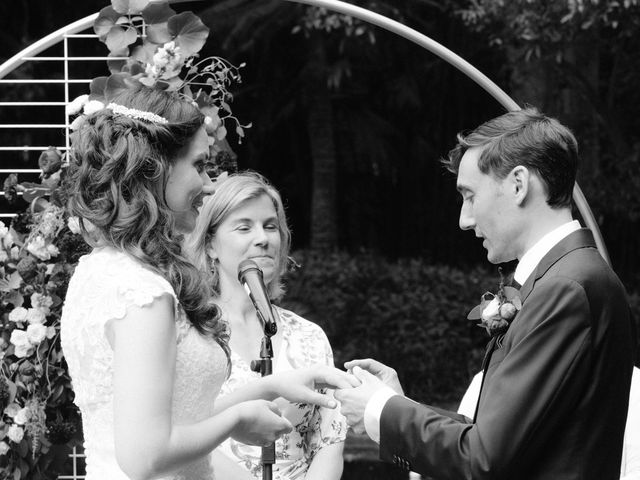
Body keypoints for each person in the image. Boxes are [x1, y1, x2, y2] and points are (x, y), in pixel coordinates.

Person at [60, 86, 355, 480]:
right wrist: (236, 422)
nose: (210, 183)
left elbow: (172, 421)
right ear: (156, 168)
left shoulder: (100, 270)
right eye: (200, 165)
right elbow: (145, 456)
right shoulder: (144, 294)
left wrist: (274, 386)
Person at [335, 107, 636, 479]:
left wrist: (380, 410)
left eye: (470, 195)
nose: (464, 219)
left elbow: (484, 459)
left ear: (518, 185)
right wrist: (399, 405)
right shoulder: (565, 278)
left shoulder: (567, 288)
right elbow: (504, 437)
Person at [184, 171, 347, 480]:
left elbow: (330, 438)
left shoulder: (309, 335)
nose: (263, 238)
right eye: (244, 227)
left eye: (270, 226)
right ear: (210, 246)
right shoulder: (189, 332)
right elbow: (180, 433)